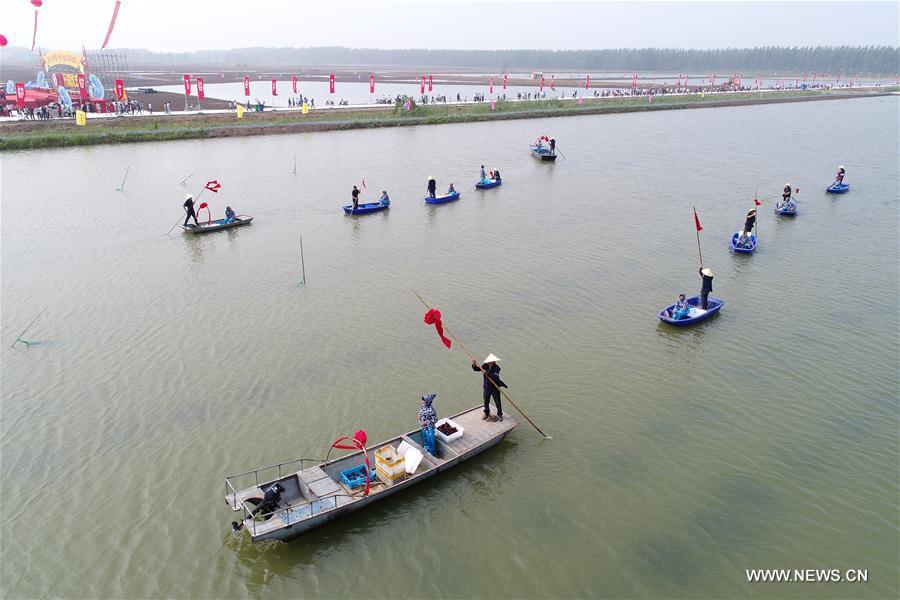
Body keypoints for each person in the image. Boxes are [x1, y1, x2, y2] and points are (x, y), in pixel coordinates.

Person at [472, 354, 507, 421]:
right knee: (486, 401)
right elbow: (476, 369)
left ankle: (500, 414)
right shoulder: (485, 366)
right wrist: (474, 364)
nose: (488, 362)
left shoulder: (497, 368)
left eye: (489, 361)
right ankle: (486, 413)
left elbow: (495, 376)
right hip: (486, 387)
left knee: (497, 402)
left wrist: (487, 373)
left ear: (493, 361)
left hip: (495, 387)